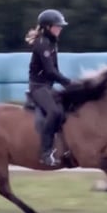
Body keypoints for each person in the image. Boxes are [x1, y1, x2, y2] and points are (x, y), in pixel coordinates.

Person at [25, 9, 72, 166]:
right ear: (46, 27)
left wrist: (67, 84)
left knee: (66, 109)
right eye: (57, 26)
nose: (60, 29)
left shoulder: (52, 44)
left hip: (47, 87)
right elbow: (50, 71)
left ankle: (64, 147)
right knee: (54, 111)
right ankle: (45, 153)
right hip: (38, 87)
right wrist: (68, 83)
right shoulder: (42, 44)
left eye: (60, 26)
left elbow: (55, 70)